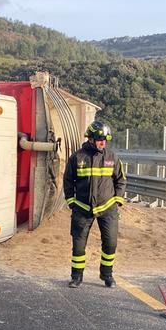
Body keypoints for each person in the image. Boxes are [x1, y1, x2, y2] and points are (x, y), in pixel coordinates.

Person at [63, 120, 126, 288]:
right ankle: (76, 277)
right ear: (90, 138)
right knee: (78, 245)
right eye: (100, 139)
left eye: (105, 140)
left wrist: (117, 200)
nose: (103, 142)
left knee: (111, 243)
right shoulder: (77, 157)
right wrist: (71, 202)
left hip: (108, 208)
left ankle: (107, 275)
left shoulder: (112, 157)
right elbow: (68, 181)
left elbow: (121, 180)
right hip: (82, 209)